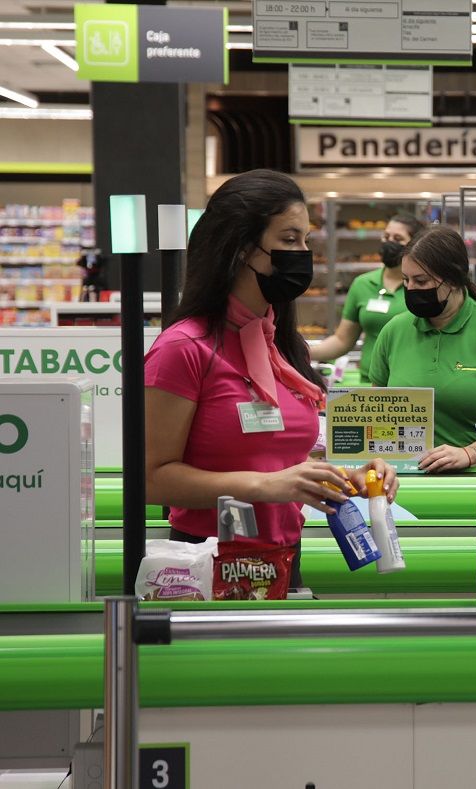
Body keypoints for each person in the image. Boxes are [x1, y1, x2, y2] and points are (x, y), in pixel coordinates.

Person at [144, 169, 397, 588]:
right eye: (289, 239)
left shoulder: (278, 343)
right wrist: (265, 485)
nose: (303, 254)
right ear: (243, 249)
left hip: (282, 559)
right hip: (207, 564)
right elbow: (151, 479)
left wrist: (341, 477)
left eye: (306, 241)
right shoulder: (183, 348)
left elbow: (274, 457)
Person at [370, 225, 476, 473]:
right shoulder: (394, 332)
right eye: (406, 280)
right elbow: (376, 411)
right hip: (412, 476)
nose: (410, 290)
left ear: (452, 280)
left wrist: (471, 453)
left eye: (421, 281)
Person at [310, 213, 426, 379]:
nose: (389, 242)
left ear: (414, 245)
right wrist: (304, 353)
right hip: (370, 381)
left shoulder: (423, 286)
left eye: (398, 238)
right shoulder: (363, 284)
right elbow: (342, 340)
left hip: (412, 381)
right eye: (386, 236)